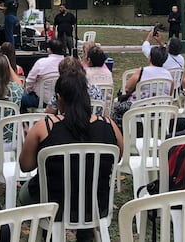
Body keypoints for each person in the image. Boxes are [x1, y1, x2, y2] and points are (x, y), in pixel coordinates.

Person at [18, 73, 123, 242]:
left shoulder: (43, 127)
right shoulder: (110, 126)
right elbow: (117, 158)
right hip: (96, 203)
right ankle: (86, 232)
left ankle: (49, 234)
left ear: (59, 99)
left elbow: (25, 165)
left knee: (25, 193)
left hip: (53, 205)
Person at [112, 45, 173, 129]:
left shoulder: (142, 71)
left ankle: (121, 132)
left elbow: (127, 89)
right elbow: (170, 94)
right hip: (160, 108)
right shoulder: (168, 75)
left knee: (117, 107)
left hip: (139, 107)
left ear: (150, 58)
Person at [21, 38, 67, 112]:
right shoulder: (68, 63)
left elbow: (29, 81)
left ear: (49, 50)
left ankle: (25, 123)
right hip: (62, 101)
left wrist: (30, 91)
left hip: (40, 101)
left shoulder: (41, 63)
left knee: (20, 100)